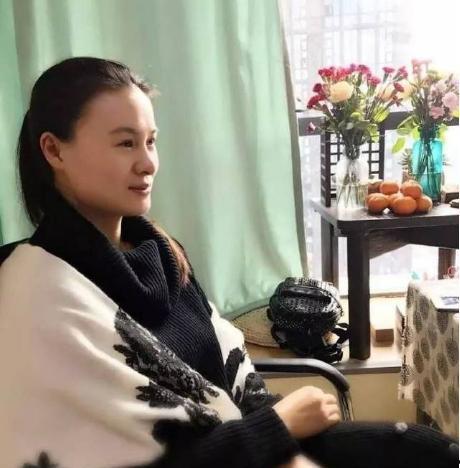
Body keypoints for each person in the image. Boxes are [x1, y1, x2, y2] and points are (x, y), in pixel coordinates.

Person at [0, 57, 456, 468]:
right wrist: (278, 428)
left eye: (151, 142)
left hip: (244, 446)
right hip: (234, 451)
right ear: (54, 151)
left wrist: (282, 446)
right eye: (125, 144)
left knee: (426, 450)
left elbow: (233, 385)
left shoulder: (162, 253)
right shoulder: (34, 293)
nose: (148, 163)